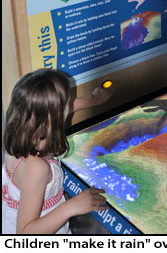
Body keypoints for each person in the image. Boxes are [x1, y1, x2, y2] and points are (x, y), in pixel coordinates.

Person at [2, 68, 114, 234]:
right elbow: (25, 233)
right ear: (53, 115)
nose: (71, 106)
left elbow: (60, 107)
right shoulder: (37, 168)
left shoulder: (20, 136)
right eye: (67, 103)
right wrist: (72, 207)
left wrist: (94, 99)